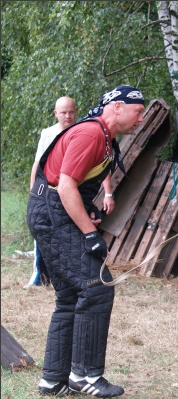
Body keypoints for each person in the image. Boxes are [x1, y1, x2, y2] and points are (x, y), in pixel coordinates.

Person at [27, 85, 146, 398]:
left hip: (50, 209)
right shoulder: (92, 134)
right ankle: (85, 374)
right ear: (117, 108)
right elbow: (64, 185)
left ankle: (53, 381)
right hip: (51, 212)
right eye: (138, 111)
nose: (142, 118)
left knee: (69, 295)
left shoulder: (105, 138)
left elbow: (72, 187)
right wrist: (91, 235)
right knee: (96, 285)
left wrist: (88, 208)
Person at [26, 97, 116, 288]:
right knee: (45, 240)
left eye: (71, 112)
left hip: (73, 195)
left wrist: (108, 193)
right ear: (55, 113)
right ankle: (40, 277)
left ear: (76, 111)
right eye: (63, 112)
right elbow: (38, 164)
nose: (68, 116)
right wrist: (34, 194)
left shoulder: (87, 131)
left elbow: (102, 167)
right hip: (50, 196)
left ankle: (73, 282)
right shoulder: (48, 134)